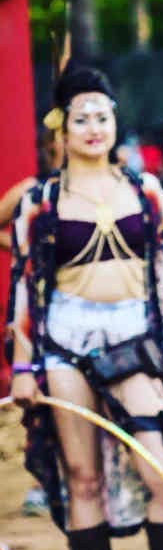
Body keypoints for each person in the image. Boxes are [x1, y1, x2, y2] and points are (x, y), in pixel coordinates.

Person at [6, 66, 163, 550]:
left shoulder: (146, 192)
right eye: (82, 119)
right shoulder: (41, 201)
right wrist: (22, 367)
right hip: (64, 341)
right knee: (82, 475)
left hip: (134, 338)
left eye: (102, 116)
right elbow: (26, 288)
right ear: (62, 128)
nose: (94, 127)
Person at [0, 126, 64, 515]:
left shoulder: (111, 186)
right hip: (40, 306)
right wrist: (25, 251)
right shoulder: (31, 190)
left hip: (89, 306)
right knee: (41, 391)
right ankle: (44, 480)